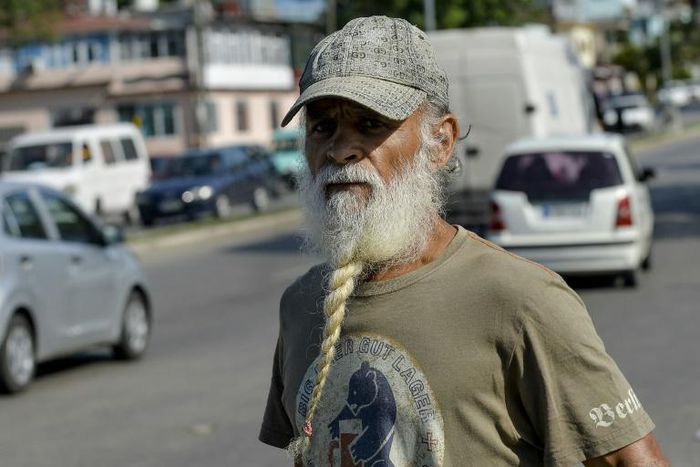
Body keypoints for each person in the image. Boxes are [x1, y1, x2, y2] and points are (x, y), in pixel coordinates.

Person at [259, 16, 668, 466]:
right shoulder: (299, 306)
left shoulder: (521, 300)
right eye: (322, 128)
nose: (340, 150)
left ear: (440, 142)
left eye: (370, 124)